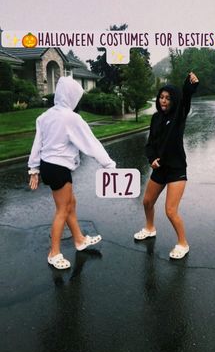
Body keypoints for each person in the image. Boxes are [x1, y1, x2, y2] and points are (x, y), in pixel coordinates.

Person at [28, 76, 116, 270]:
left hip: (48, 166)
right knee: (63, 210)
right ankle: (54, 253)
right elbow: (90, 143)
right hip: (58, 168)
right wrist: (108, 164)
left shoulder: (44, 116)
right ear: (71, 96)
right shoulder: (71, 118)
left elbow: (37, 144)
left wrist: (34, 169)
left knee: (70, 203)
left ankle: (79, 240)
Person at [134, 72, 199, 259]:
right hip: (160, 168)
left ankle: (182, 243)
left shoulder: (178, 117)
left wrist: (189, 86)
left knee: (170, 210)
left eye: (168, 98)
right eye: (161, 97)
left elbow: (185, 101)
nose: (163, 101)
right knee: (147, 202)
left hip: (176, 169)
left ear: (173, 101)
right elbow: (150, 144)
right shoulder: (156, 118)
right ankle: (149, 228)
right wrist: (151, 158)